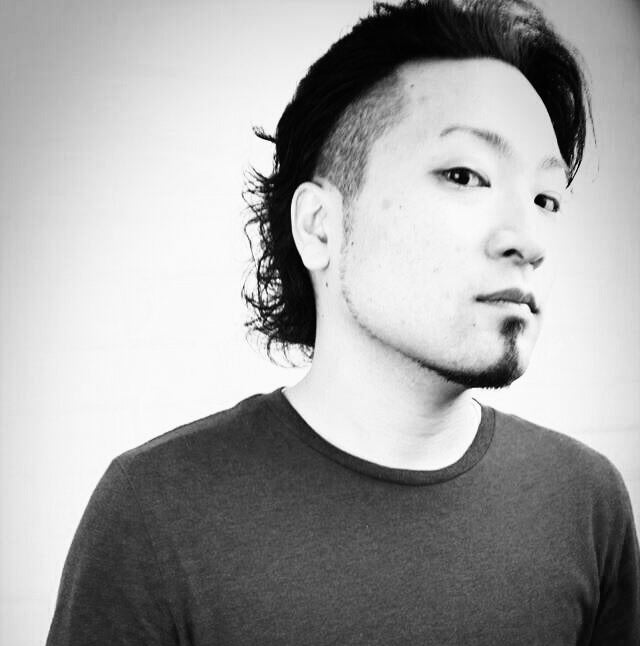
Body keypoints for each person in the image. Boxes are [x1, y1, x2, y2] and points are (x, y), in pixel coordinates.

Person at [46, 0, 639, 644]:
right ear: (320, 227)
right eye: (464, 175)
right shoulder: (156, 514)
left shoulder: (587, 503)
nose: (528, 238)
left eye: (545, 198)